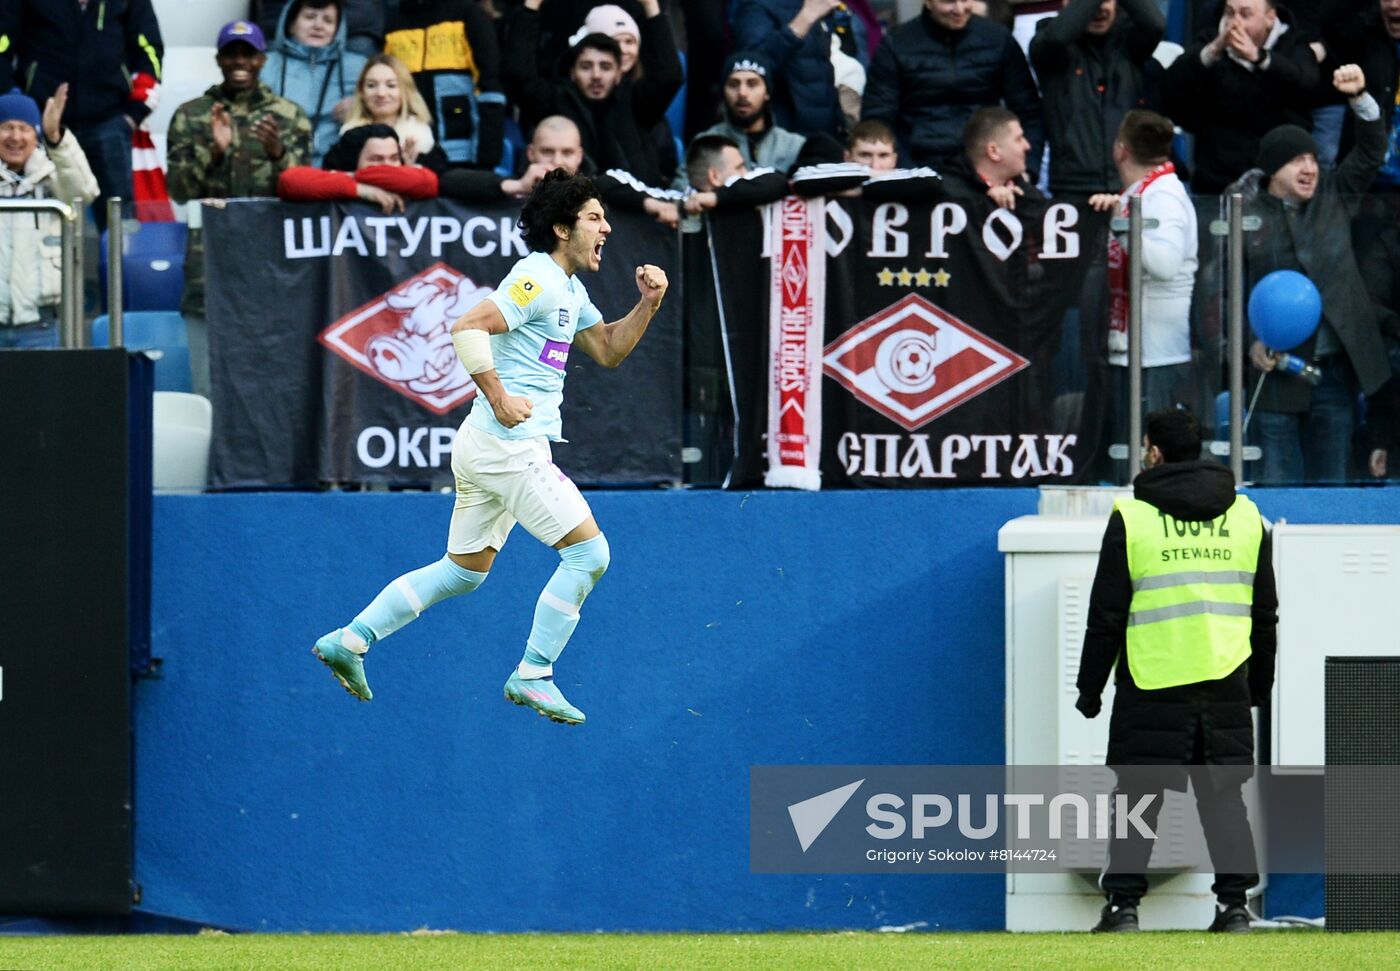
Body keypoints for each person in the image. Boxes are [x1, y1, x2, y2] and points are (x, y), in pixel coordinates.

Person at [312, 169, 669, 725]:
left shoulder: (570, 289)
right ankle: (534, 674)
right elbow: (467, 324)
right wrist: (499, 394)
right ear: (560, 228)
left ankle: (351, 639)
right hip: (510, 446)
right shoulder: (539, 278)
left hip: (489, 445)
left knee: (462, 572)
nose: (607, 230)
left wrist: (647, 303)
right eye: (595, 218)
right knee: (589, 554)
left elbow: (607, 349)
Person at [1076, 407, 1278, 935]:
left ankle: (1123, 908)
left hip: (1152, 678)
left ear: (1156, 452)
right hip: (1224, 677)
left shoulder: (1133, 516)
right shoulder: (1248, 516)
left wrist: (1089, 688)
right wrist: (1260, 686)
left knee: (1139, 796)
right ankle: (1234, 908)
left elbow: (1107, 614)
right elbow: (1264, 614)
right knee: (1223, 798)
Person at [1238, 64, 1390, 483]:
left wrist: (1359, 99)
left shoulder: (1334, 197)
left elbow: (1371, 152)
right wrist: (1247, 343)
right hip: (1274, 377)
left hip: (1335, 374)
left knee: (1331, 491)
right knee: (1277, 490)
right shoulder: (1244, 217)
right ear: (1271, 170)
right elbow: (1226, 293)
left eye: (1311, 158)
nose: (1309, 168)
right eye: (1295, 161)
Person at [166, 20, 313, 397]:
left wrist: (279, 155)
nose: (239, 61)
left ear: (263, 59)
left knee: (272, 381)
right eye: (232, 53)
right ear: (219, 58)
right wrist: (212, 152)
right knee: (209, 382)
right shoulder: (191, 115)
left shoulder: (289, 115)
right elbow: (179, 191)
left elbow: (305, 193)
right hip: (209, 266)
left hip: (272, 265)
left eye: (248, 53)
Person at [0, 0, 163, 231]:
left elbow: (150, 51)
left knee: (118, 222)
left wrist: (132, 115)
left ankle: (117, 269)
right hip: (41, 125)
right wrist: (18, 108)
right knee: (39, 216)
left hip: (110, 122)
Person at [503, 0, 682, 188]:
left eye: (606, 67)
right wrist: (530, 6)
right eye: (586, 66)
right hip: (569, 207)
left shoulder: (636, 102)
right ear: (572, 72)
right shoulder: (555, 100)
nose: (596, 75)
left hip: (635, 209)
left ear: (619, 74)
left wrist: (651, 7)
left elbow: (669, 77)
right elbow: (518, 74)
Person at [1093, 110, 1198, 420]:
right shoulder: (1141, 193)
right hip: (1135, 351)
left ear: (1121, 149)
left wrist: (1123, 229)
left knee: (1146, 456)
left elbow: (1164, 265)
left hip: (1156, 356)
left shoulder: (1164, 196)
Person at [861, 0, 1043, 174]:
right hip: (918, 166)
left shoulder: (998, 39)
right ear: (928, 2)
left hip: (988, 168)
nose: (959, 9)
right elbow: (878, 119)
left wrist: (1026, 170)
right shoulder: (896, 44)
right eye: (948, 2)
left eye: (965, 0)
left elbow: (1029, 111)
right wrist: (904, 171)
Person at [1160, 0, 1319, 193]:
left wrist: (1259, 58)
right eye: (1229, 13)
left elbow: (1307, 82)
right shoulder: (1210, 39)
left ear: (1270, 18)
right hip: (1216, 176)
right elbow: (1172, 82)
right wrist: (1213, 50)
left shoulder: (1294, 43)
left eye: (1245, 14)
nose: (1234, 24)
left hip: (1276, 180)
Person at [1029, 0, 1165, 200]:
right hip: (1073, 187)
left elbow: (1155, 24)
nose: (1100, 8)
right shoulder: (1048, 40)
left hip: (1129, 183)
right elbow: (1056, 39)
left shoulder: (1129, 41)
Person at [0, 86, 98, 348]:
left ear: (36, 135)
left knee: (40, 391)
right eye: (7, 127)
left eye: (24, 128)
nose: (15, 137)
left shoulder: (52, 175)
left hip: (40, 327)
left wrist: (55, 137)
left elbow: (84, 192)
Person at [383, 0, 505, 171]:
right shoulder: (393, 22)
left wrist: (486, 158)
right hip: (411, 152)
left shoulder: (469, 14)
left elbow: (490, 88)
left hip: (462, 155)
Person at [731, 0, 869, 138]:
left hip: (826, 129)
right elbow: (751, 67)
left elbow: (828, 63)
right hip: (785, 132)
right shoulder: (758, 6)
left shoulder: (818, 5)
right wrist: (804, 19)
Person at [263, 0, 370, 165]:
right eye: (310, 17)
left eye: (328, 20)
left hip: (337, 170)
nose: (318, 25)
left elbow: (390, 106)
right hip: (277, 165)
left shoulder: (359, 67)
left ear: (337, 30)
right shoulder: (265, 65)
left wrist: (362, 109)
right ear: (291, 24)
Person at [278, 123, 440, 211]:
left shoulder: (411, 182)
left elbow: (429, 182)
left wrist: (358, 176)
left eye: (394, 158)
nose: (387, 166)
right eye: (376, 159)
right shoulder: (337, 182)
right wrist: (359, 189)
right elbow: (289, 181)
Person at [699, 52, 808, 174]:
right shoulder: (705, 144)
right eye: (733, 85)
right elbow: (682, 189)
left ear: (767, 93)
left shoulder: (794, 146)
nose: (742, 93)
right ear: (723, 92)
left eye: (752, 84)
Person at [339, 54, 446, 171]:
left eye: (391, 85)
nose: (381, 93)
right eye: (371, 85)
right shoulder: (348, 136)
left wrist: (410, 170)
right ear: (362, 92)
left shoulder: (421, 137)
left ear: (405, 91)